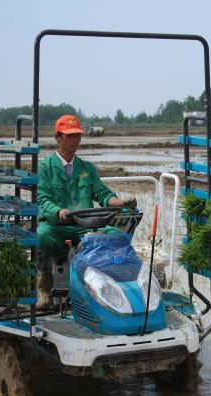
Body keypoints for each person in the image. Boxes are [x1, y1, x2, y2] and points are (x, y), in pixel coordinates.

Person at [36, 115, 135, 307]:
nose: (75, 140)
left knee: (116, 233)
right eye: (70, 136)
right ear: (58, 137)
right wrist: (58, 212)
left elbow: (103, 194)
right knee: (41, 234)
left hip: (84, 228)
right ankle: (43, 288)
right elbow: (42, 199)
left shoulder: (87, 168)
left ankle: (102, 289)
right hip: (57, 227)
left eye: (78, 136)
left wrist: (120, 202)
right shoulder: (45, 168)